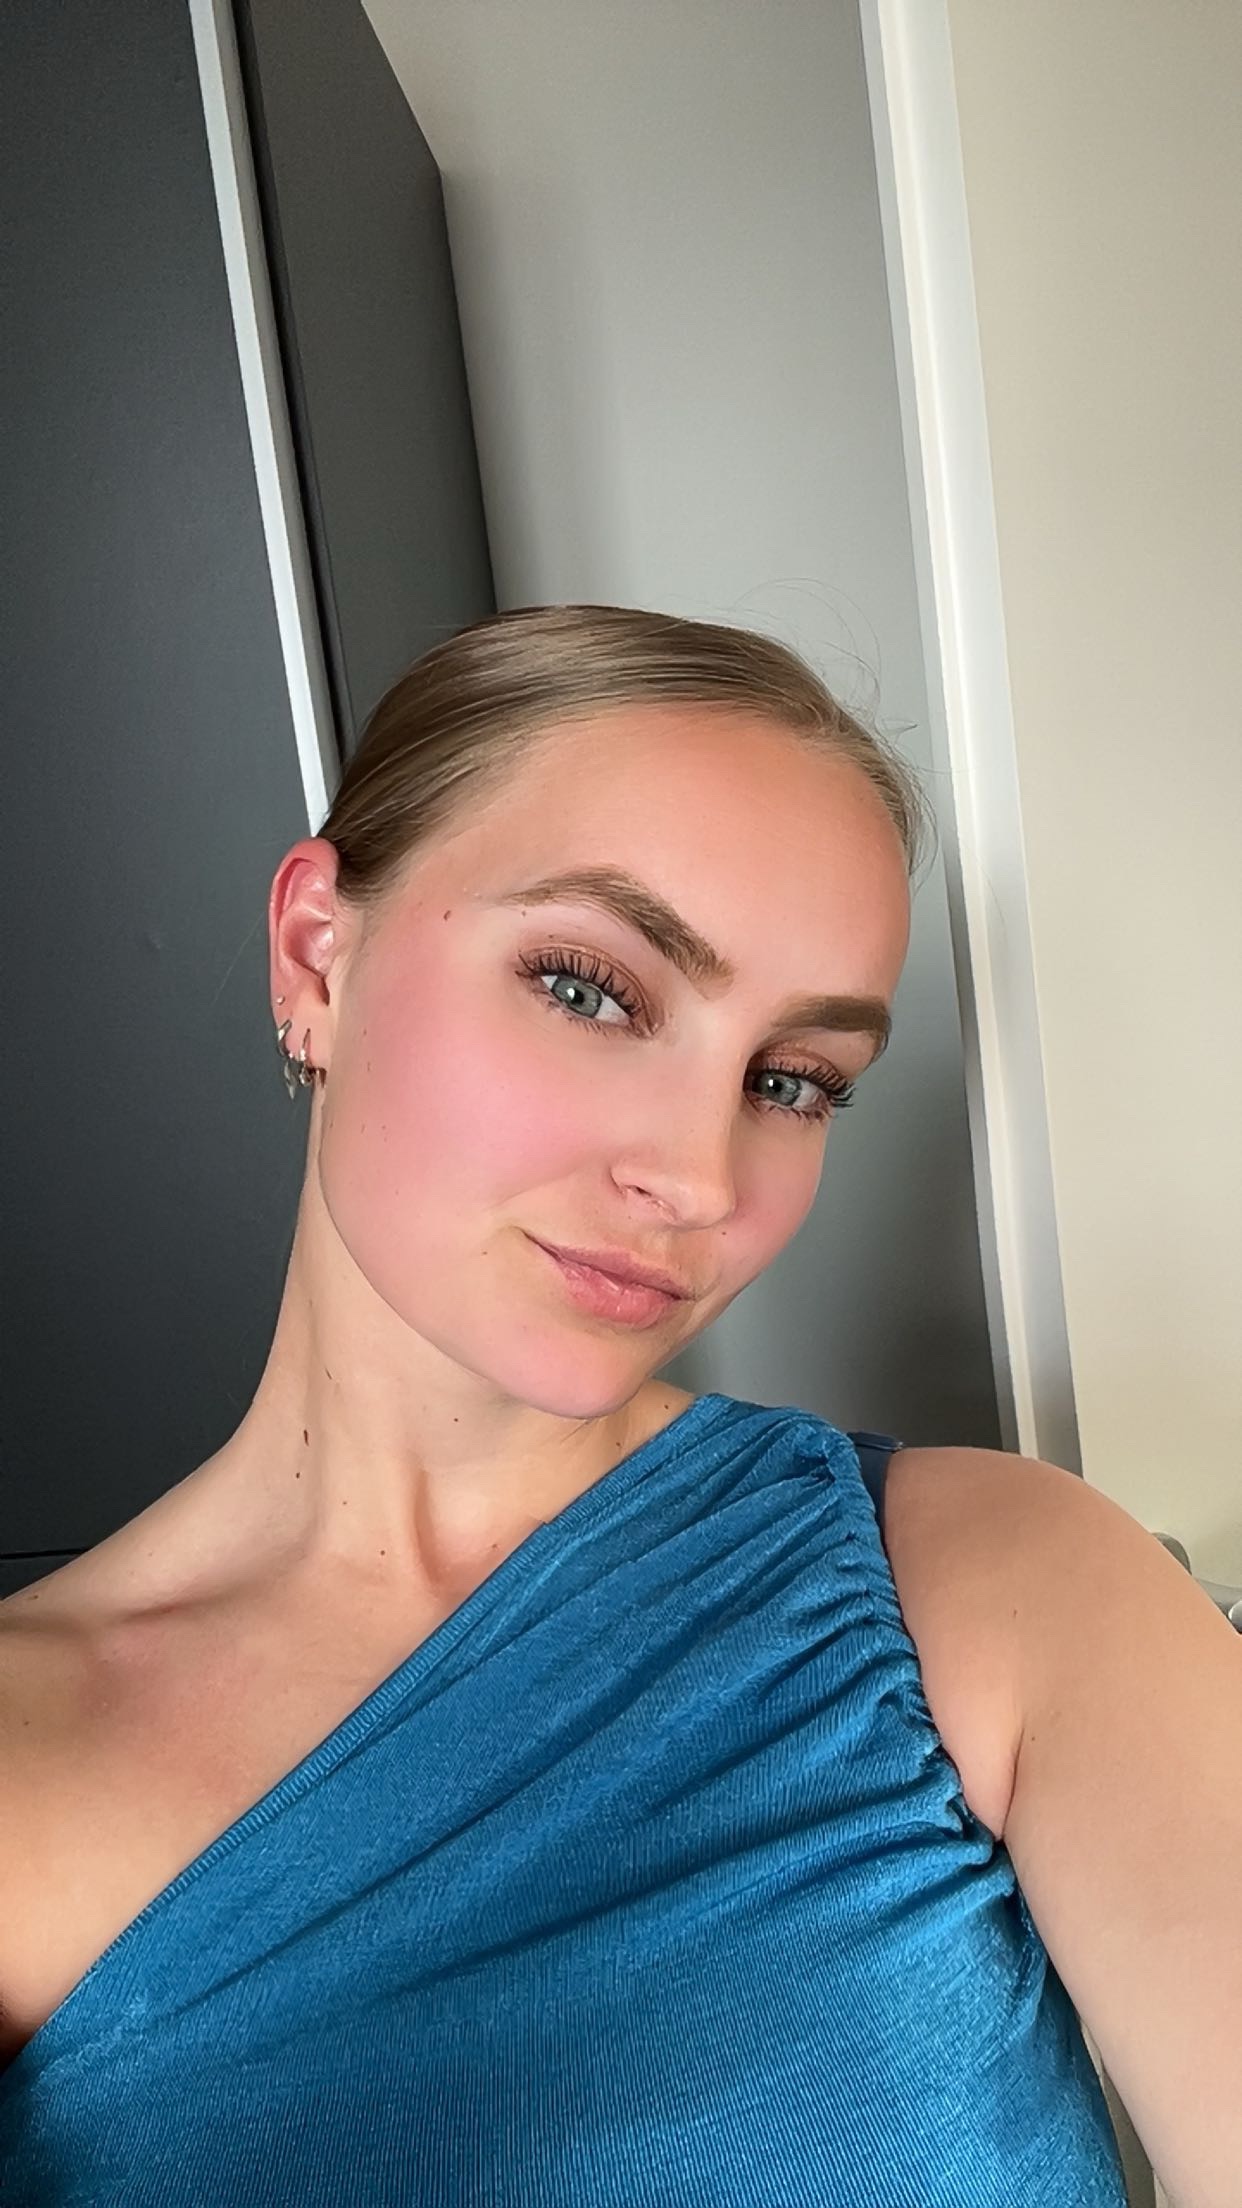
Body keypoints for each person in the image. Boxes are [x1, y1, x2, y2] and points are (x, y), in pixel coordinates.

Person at [0, 605, 1237, 2207]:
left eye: (789, 1080)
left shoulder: (1003, 1586)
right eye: (589, 989)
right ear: (316, 954)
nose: (698, 1179)